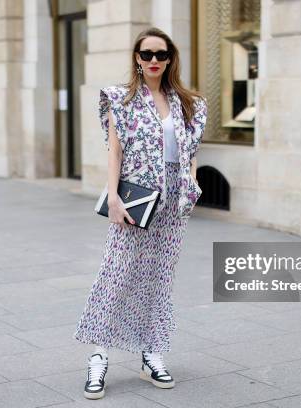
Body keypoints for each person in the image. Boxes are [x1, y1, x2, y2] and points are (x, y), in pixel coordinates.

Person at [72, 27, 208, 400]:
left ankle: (152, 354)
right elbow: (114, 151)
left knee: (160, 279)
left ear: (170, 58)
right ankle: (98, 355)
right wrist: (113, 196)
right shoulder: (121, 98)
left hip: (174, 199)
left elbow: (191, 149)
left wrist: (191, 185)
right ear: (136, 57)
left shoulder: (187, 102)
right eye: (146, 54)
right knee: (117, 274)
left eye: (160, 55)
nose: (153, 61)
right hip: (135, 196)